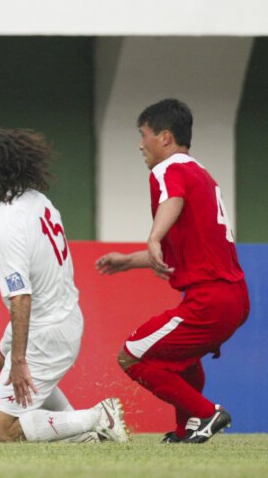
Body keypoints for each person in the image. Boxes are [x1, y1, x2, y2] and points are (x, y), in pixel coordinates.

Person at [0, 127, 129, 444]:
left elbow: (21, 297)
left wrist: (21, 361)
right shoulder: (36, 199)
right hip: (65, 315)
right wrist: (13, 358)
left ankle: (97, 417)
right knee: (2, 359)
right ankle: (82, 433)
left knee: (2, 430)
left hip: (46, 330)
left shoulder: (2, 228)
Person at [95, 99, 250, 444]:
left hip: (210, 298)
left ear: (164, 137)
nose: (140, 144)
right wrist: (129, 260)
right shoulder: (201, 174)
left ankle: (207, 413)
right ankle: (186, 429)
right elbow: (178, 253)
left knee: (131, 355)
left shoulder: (169, 168)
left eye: (143, 135)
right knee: (183, 359)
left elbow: (172, 199)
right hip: (233, 299)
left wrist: (153, 235)